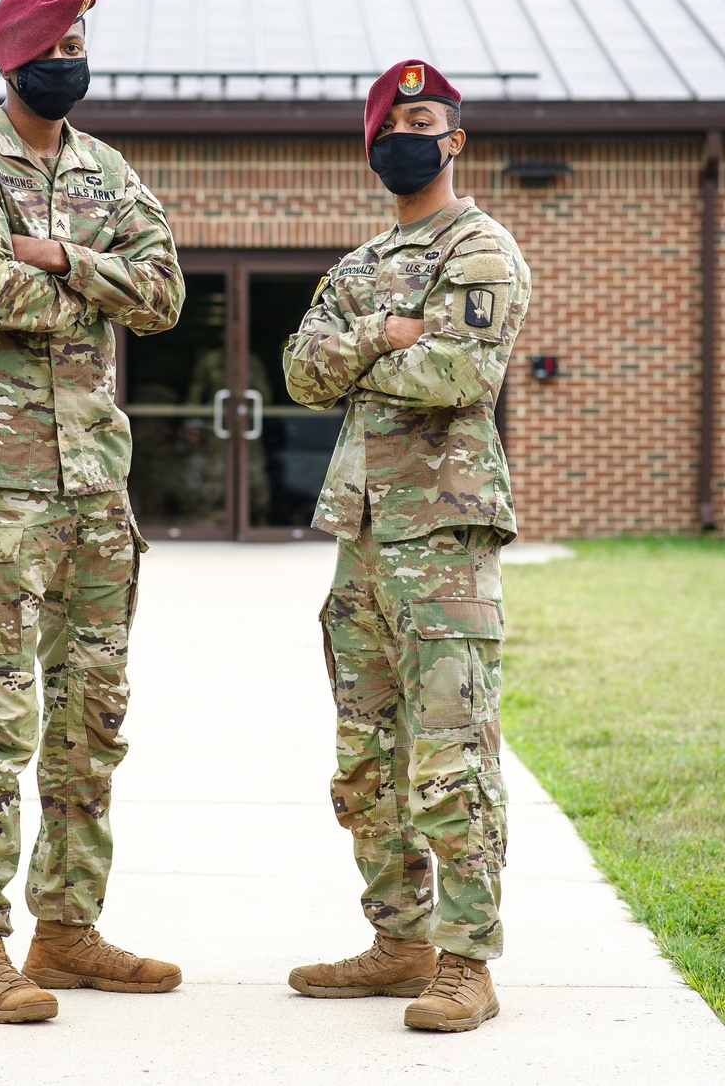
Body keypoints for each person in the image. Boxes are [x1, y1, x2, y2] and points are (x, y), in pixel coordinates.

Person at [0, 0, 185, 1024]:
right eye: (56, 43)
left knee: (90, 717)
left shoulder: (106, 168)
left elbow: (164, 294)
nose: (71, 57)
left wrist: (64, 254)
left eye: (81, 41)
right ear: (13, 55)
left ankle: (65, 930)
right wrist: (97, 276)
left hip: (96, 489)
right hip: (4, 483)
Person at [283, 60, 531, 1032]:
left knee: (450, 756)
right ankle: (399, 942)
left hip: (445, 532)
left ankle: (466, 960)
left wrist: (368, 349)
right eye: (390, 119)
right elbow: (302, 369)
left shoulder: (481, 247)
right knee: (365, 759)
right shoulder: (358, 266)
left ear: (454, 139)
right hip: (365, 534)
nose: (405, 132)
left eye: (421, 118)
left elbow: (460, 371)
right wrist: (388, 333)